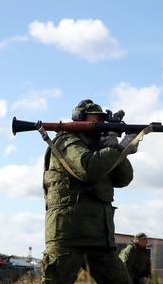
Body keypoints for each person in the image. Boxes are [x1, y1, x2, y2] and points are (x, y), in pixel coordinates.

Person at [41, 99, 139, 284]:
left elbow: (123, 178)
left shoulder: (100, 146)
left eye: (102, 119)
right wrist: (119, 148)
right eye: (95, 119)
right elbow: (88, 167)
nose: (99, 123)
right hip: (68, 234)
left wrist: (114, 148)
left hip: (100, 237)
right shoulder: (66, 141)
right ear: (80, 118)